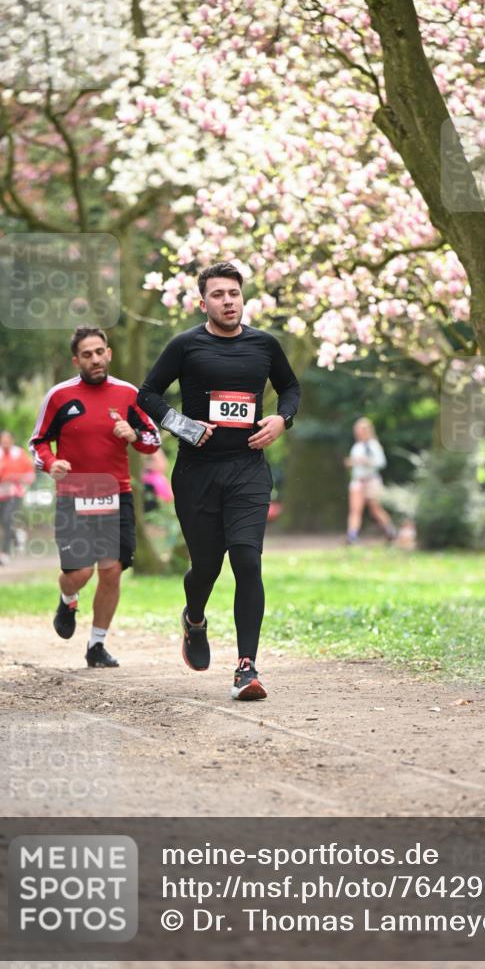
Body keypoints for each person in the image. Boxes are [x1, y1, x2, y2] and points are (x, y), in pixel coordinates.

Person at [138, 260, 300, 701]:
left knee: (247, 561)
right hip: (197, 474)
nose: (227, 301)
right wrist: (183, 426)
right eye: (218, 295)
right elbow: (146, 394)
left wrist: (282, 419)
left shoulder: (264, 345)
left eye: (233, 293)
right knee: (206, 568)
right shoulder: (185, 346)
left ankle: (246, 668)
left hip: (248, 470)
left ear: (242, 297)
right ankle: (194, 619)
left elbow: (290, 387)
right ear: (203, 301)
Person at [30, 326, 160, 668]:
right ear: (77, 360)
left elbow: (153, 439)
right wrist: (50, 462)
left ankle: (97, 645)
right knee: (80, 573)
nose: (95, 359)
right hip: (75, 495)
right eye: (87, 355)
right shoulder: (59, 396)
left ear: (109, 353)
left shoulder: (129, 394)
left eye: (99, 351)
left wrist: (133, 433)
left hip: (116, 494)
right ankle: (67, 597)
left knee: (112, 570)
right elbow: (38, 441)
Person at [0, 431, 35, 565]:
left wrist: (16, 477)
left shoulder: (19, 454)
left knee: (8, 519)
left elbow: (30, 475)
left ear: (12, 441)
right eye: (3, 440)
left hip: (15, 492)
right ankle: (17, 535)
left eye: (8, 439)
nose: (5, 442)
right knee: (4, 522)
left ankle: (4, 553)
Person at [344, 417, 397, 545]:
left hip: (371, 481)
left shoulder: (373, 445)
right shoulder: (357, 446)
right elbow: (355, 462)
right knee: (355, 509)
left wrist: (366, 461)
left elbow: (381, 463)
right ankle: (352, 536)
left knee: (375, 509)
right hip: (358, 481)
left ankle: (390, 531)